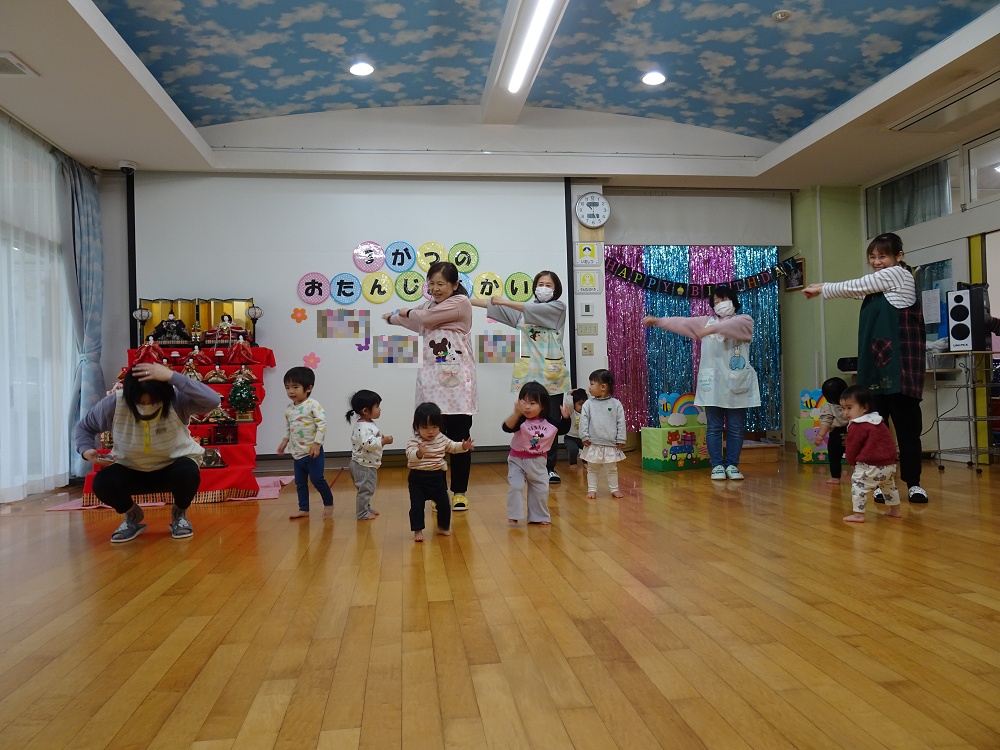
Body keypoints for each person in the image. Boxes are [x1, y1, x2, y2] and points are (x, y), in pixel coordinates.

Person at [803, 232, 928, 503]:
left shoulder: (899, 275)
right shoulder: (880, 285)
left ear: (898, 256)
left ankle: (914, 484)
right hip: (876, 368)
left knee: (907, 431)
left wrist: (822, 287)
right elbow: (861, 289)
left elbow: (859, 285)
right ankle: (882, 485)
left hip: (901, 370)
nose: (876, 262)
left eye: (883, 256)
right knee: (874, 432)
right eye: (872, 257)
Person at [74, 361, 221, 543]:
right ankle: (132, 516)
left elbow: (213, 400)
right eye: (140, 402)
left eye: (153, 401)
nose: (146, 406)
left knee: (188, 471)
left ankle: (179, 514)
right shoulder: (113, 403)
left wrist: (173, 377)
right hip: (130, 468)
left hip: (172, 467)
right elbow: (84, 428)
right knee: (102, 482)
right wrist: (86, 450)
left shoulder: (176, 400)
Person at [384, 261, 478, 511]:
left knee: (459, 439)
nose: (435, 289)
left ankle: (459, 492)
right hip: (432, 384)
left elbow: (422, 317)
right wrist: (393, 318)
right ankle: (438, 494)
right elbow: (416, 321)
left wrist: (406, 311)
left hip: (458, 386)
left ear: (454, 285)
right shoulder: (427, 307)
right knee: (432, 439)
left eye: (441, 284)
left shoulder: (460, 303)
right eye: (432, 284)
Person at [643, 284, 760, 481]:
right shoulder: (705, 322)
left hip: (737, 384)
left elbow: (730, 328)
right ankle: (717, 466)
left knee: (735, 427)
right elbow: (682, 323)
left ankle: (732, 465)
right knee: (713, 427)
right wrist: (658, 321)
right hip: (712, 385)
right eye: (716, 302)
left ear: (733, 301)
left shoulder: (744, 320)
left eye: (723, 300)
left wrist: (709, 330)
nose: (720, 304)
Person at [471, 270, 572, 483]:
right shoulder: (521, 313)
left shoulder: (558, 308)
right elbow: (493, 306)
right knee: (527, 421)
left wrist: (504, 300)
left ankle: (548, 467)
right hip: (529, 376)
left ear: (556, 290)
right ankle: (526, 462)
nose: (544, 288)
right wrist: (463, 300)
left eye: (548, 285)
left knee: (551, 422)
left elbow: (530, 308)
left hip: (552, 377)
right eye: (540, 284)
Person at [405, 402, 474, 542]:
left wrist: (463, 446)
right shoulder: (415, 441)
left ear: (440, 426)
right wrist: (419, 453)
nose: (430, 432)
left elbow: (452, 446)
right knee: (417, 506)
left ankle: (442, 526)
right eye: (425, 428)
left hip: (436, 478)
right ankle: (418, 529)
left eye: (434, 427)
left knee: (444, 504)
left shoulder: (441, 438)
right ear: (417, 427)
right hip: (418, 479)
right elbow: (410, 455)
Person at [277, 366, 335, 520]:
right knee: (300, 483)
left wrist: (317, 443)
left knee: (317, 479)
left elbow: (322, 424)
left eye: (295, 387)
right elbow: (289, 427)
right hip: (297, 454)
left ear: (309, 388)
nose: (291, 391)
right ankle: (303, 508)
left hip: (312, 453)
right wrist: (284, 441)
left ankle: (328, 502)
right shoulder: (289, 409)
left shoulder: (313, 405)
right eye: (287, 387)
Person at [840, 385, 902, 523]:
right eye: (843, 408)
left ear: (865, 407)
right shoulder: (878, 421)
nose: (846, 412)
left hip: (869, 465)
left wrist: (851, 462)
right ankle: (895, 510)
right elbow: (889, 441)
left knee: (858, 486)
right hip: (889, 464)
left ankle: (858, 514)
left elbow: (852, 447)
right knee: (889, 486)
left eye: (849, 408)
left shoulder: (857, 425)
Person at [502, 382, 559, 525]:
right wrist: (516, 413)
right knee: (516, 486)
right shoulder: (520, 419)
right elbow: (506, 428)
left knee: (540, 489)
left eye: (532, 403)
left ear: (543, 406)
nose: (527, 407)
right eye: (524, 402)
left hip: (538, 460)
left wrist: (566, 418)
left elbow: (562, 428)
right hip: (517, 460)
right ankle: (514, 514)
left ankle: (538, 516)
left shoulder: (548, 421)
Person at [579, 369, 627, 499]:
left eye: (592, 384)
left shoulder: (616, 404)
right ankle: (592, 490)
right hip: (593, 443)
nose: (589, 387)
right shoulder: (588, 404)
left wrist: (621, 438)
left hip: (610, 444)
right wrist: (584, 436)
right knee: (592, 468)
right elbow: (583, 421)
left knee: (612, 469)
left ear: (603, 387)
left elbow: (621, 422)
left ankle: (614, 489)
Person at [346, 389, 392, 521]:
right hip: (364, 465)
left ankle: (366, 508)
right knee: (366, 490)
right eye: (377, 406)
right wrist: (383, 441)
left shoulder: (365, 424)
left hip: (362, 463)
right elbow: (368, 443)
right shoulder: (364, 427)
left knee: (365, 489)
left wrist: (380, 441)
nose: (379, 409)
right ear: (365, 410)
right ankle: (362, 513)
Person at [813, 377, 849, 484]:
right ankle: (861, 475)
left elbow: (826, 422)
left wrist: (820, 436)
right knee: (856, 456)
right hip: (852, 431)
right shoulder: (851, 403)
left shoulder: (828, 407)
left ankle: (835, 477)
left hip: (836, 434)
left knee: (834, 457)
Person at [564, 388, 588, 471]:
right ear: (573, 405)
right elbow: (569, 404)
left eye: (585, 404)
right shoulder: (571, 412)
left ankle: (585, 461)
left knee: (587, 448)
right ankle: (573, 462)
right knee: (573, 449)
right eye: (580, 404)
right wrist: (569, 395)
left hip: (583, 437)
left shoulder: (587, 413)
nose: (583, 407)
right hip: (570, 437)